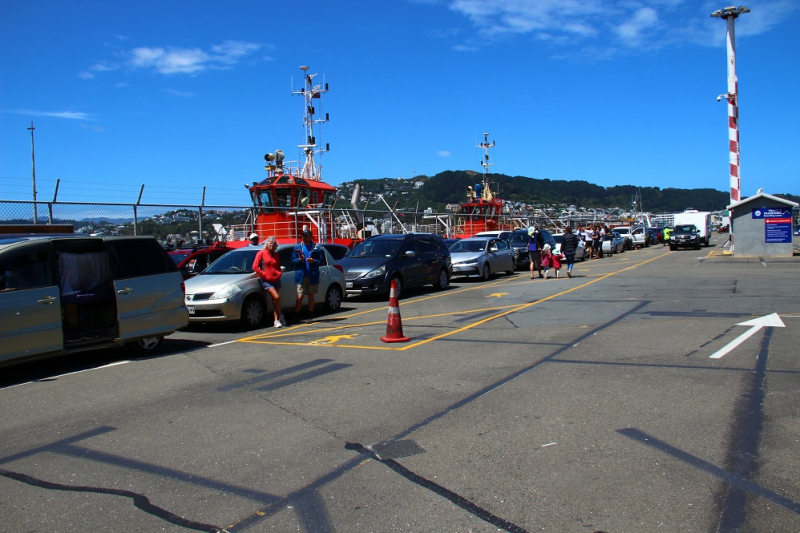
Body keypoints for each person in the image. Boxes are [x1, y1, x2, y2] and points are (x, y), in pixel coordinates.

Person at [253, 236, 286, 328]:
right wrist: (263, 274)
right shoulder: (261, 253)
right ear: (267, 244)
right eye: (270, 243)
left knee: (275, 300)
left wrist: (279, 274)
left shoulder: (276, 255)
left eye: (273, 243)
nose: (271, 245)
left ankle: (276, 320)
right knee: (277, 296)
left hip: (276, 279)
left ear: (276, 246)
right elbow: (255, 267)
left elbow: (278, 266)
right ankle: (281, 315)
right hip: (267, 280)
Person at [292, 228, 324, 322]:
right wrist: (299, 260)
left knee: (311, 295)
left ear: (310, 237)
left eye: (306, 235)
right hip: (301, 275)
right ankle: (296, 315)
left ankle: (310, 315)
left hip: (312, 275)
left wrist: (313, 261)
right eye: (303, 236)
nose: (304, 237)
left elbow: (321, 261)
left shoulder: (316, 248)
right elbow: (293, 260)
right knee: (300, 296)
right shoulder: (297, 248)